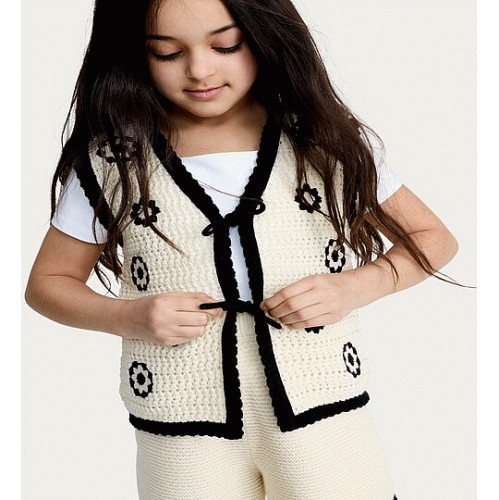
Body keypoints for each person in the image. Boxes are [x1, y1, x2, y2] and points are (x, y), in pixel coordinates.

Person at [24, 0, 459, 498]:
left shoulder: (324, 140)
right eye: (167, 53)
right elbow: (48, 284)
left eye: (226, 45)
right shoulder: (113, 159)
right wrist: (130, 316)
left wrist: (352, 288)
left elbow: (433, 240)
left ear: (263, 35)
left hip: (323, 409)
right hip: (181, 423)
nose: (199, 69)